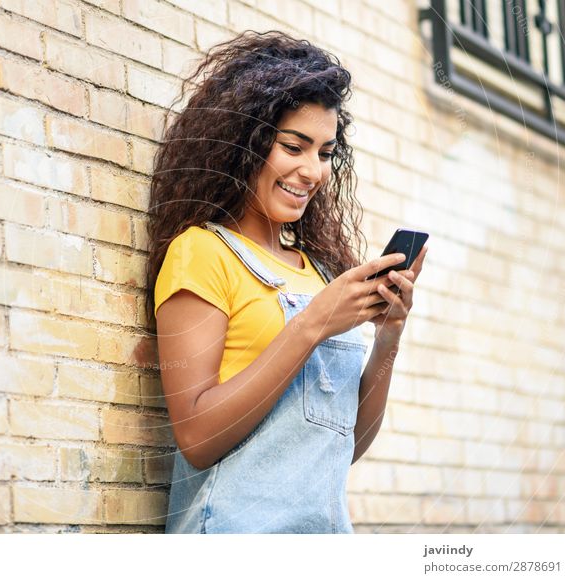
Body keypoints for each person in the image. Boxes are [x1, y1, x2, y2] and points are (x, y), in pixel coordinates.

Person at [145, 30, 427, 534]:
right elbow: (197, 435)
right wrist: (312, 322)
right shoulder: (203, 253)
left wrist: (388, 338)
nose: (312, 170)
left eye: (324, 152)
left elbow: (348, 444)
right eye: (293, 146)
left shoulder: (319, 273)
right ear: (244, 143)